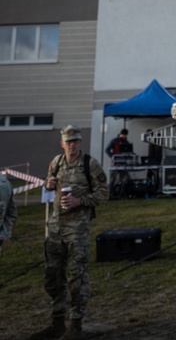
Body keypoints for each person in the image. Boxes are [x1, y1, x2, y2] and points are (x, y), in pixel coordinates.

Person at [30, 125, 109, 340]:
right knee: (53, 276)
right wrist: (48, 184)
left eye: (75, 141)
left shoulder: (89, 164)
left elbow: (103, 193)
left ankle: (76, 325)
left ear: (80, 142)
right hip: (55, 227)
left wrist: (80, 201)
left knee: (76, 277)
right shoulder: (56, 163)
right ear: (62, 143)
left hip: (77, 229)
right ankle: (57, 322)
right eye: (68, 141)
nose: (72, 145)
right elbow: (48, 185)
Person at [0, 170, 16, 258]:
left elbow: (11, 213)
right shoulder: (4, 183)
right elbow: (11, 213)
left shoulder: (4, 184)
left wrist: (4, 235)